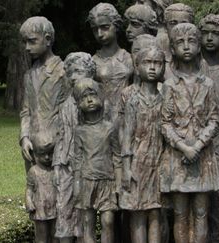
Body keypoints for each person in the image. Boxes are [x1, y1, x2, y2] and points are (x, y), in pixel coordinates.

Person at [160, 23, 219, 243]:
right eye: (180, 42)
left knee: (202, 213)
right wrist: (184, 147)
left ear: (198, 46)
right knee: (180, 214)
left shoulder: (209, 84)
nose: (186, 46)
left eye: (191, 41)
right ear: (173, 49)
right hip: (178, 157)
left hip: (203, 157)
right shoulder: (169, 85)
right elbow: (165, 124)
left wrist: (198, 145)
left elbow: (214, 119)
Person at [120, 46, 165, 243]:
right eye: (148, 63)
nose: (153, 67)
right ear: (137, 68)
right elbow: (126, 136)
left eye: (157, 63)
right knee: (138, 211)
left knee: (155, 210)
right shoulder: (132, 100)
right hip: (138, 161)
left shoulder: (166, 98)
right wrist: (127, 167)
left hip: (160, 161)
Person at [72, 78, 121, 243]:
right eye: (84, 98)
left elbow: (117, 156)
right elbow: (77, 160)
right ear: (79, 104)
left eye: (92, 95)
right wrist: (76, 186)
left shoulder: (110, 127)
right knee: (88, 221)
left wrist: (119, 183)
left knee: (108, 221)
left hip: (107, 180)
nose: (89, 100)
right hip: (87, 181)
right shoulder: (79, 131)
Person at [53, 52, 95, 243]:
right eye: (70, 73)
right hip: (65, 164)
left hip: (86, 166)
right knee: (64, 209)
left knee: (84, 212)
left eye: (78, 71)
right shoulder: (64, 105)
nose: (73, 76)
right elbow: (61, 137)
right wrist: (56, 166)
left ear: (90, 73)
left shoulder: (94, 104)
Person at [19, 16, 65, 173]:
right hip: (33, 145)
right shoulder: (29, 75)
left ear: (47, 39)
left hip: (56, 146)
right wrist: (24, 137)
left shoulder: (63, 72)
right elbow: (26, 111)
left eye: (32, 41)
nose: (27, 47)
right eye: (25, 42)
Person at [87, 3, 134, 124]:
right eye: (94, 29)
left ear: (116, 25)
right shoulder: (92, 62)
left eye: (105, 27)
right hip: (102, 122)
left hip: (127, 119)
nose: (100, 34)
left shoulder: (130, 58)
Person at [198, 14, 219, 243]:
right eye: (206, 33)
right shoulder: (193, 68)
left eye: (216, 33)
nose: (210, 38)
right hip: (196, 142)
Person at [26, 132, 57, 243]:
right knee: (41, 236)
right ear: (36, 155)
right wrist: (29, 201)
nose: (47, 157)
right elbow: (29, 189)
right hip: (40, 209)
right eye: (43, 154)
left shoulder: (55, 170)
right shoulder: (33, 171)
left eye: (50, 153)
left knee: (55, 236)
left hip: (54, 207)